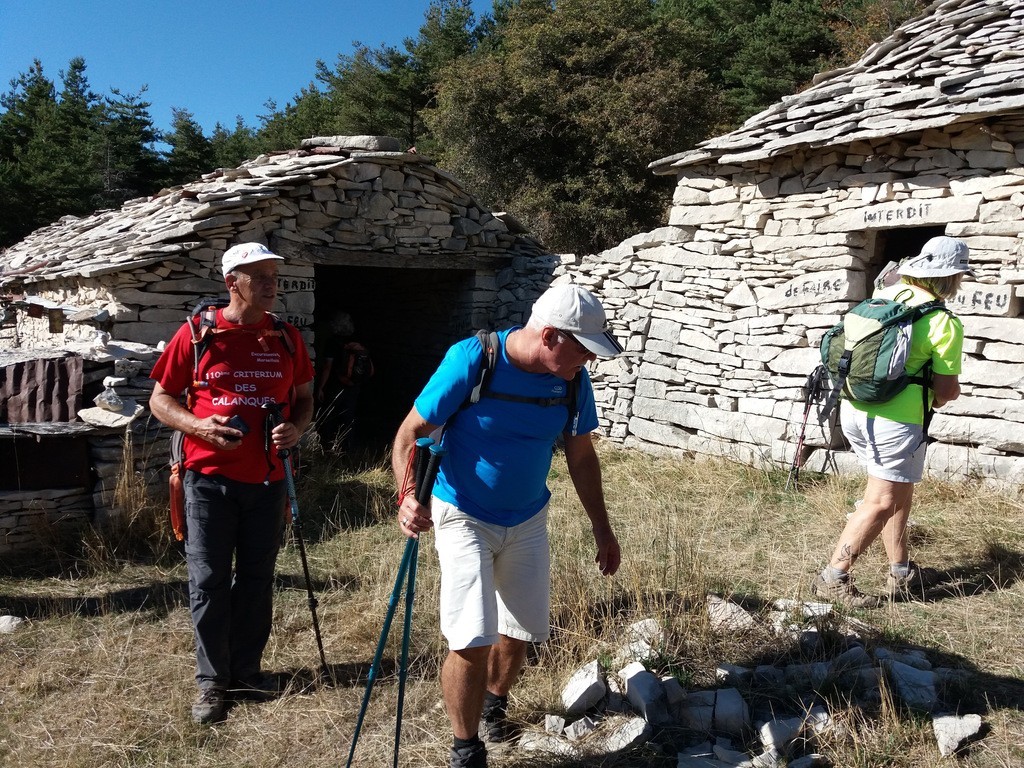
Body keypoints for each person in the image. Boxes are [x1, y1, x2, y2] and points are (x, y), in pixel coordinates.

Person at [392, 283, 624, 768]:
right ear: (550, 337)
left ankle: (495, 705)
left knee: (518, 631)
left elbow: (582, 458)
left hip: (528, 518)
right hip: (462, 514)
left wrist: (603, 529)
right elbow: (410, 433)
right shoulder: (474, 361)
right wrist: (407, 496)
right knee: (472, 636)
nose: (591, 361)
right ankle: (465, 747)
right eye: (584, 349)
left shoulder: (573, 382)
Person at [149, 242, 314, 723]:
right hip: (207, 482)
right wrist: (199, 427)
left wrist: (297, 428)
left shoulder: (286, 338)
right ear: (231, 282)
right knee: (208, 581)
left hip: (268, 481)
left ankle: (247, 672)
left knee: (258, 579)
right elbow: (161, 398)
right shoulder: (198, 335)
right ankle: (211, 683)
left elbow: (304, 397)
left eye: (273, 275)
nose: (271, 283)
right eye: (258, 275)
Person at [811, 236, 972, 608]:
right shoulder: (941, 321)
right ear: (949, 279)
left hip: (855, 409)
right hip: (897, 423)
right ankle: (833, 578)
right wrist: (945, 395)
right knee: (881, 501)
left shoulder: (882, 298)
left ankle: (901, 572)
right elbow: (946, 391)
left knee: (899, 491)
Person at [314, 311, 374, 448]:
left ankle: (326, 446)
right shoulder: (358, 340)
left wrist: (321, 387)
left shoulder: (332, 342)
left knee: (328, 415)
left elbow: (327, 367)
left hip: (336, 385)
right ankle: (346, 447)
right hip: (354, 385)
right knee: (348, 416)